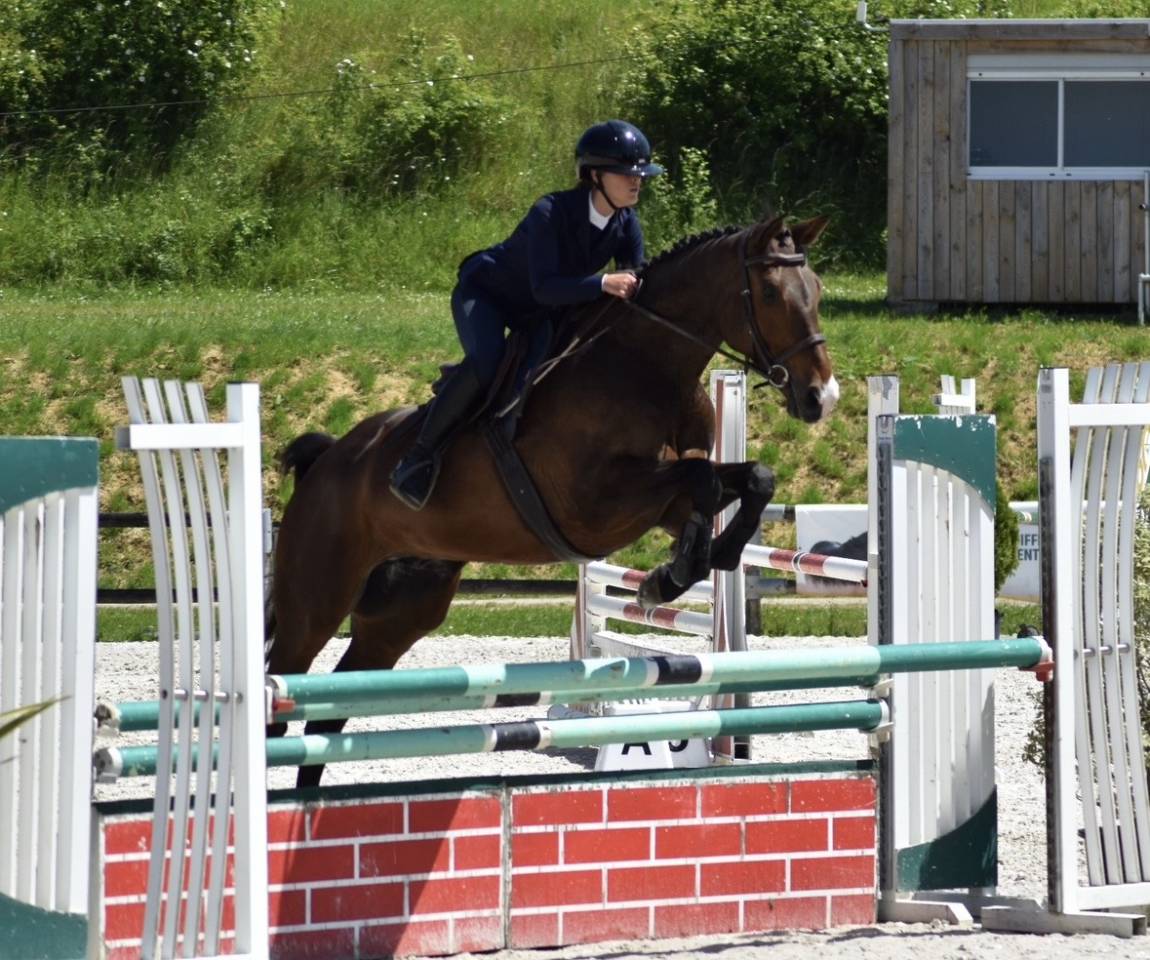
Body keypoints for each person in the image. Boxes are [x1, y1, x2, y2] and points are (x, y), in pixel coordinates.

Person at [389, 119, 665, 510]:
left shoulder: (626, 224)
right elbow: (546, 287)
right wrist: (603, 283)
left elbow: (633, 282)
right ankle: (417, 457)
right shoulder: (550, 211)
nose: (637, 181)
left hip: (540, 311)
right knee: (488, 361)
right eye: (627, 174)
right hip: (488, 294)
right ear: (595, 175)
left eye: (641, 174)